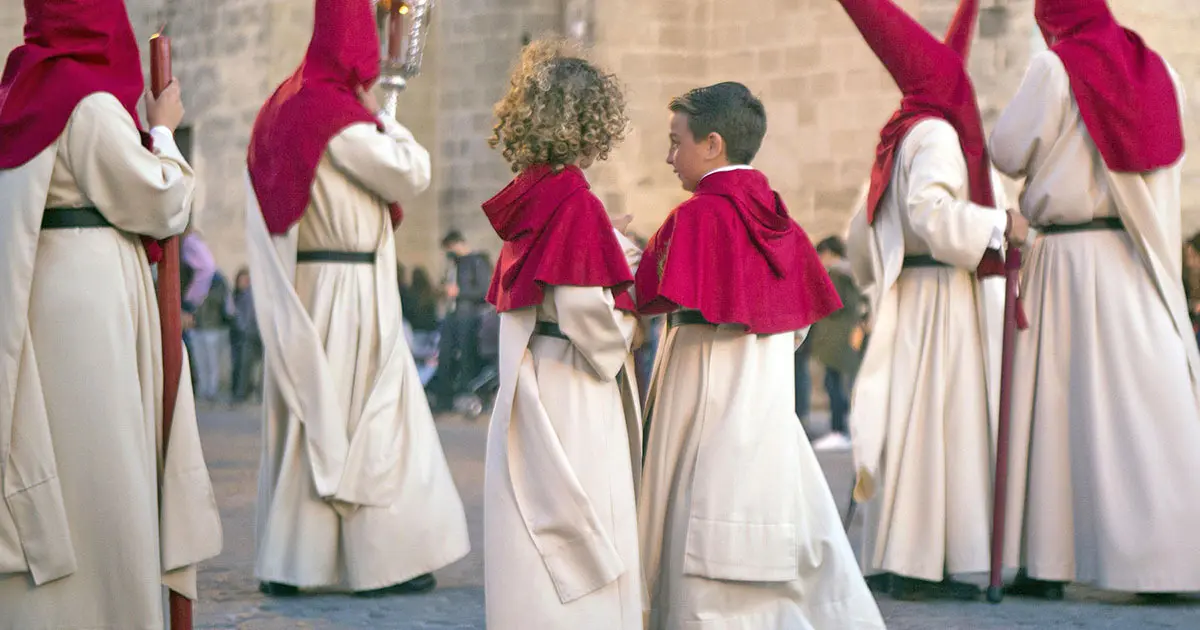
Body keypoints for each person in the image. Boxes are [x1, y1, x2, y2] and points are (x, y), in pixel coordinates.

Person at [0, 0, 222, 626]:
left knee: (67, 459)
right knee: (104, 464)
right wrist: (163, 130)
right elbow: (164, 201)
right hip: (89, 301)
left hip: (49, 296)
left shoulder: (20, 87)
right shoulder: (86, 101)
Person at [636, 81, 884, 629]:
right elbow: (794, 325)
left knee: (688, 512)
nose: (669, 156)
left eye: (676, 142)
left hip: (699, 385)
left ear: (713, 145)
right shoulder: (784, 223)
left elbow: (643, 293)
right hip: (766, 400)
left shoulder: (695, 218)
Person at [244, 0, 469, 597]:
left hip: (312, 284)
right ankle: (383, 562)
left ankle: (293, 559)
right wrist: (385, 115)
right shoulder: (333, 116)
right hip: (349, 290)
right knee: (371, 417)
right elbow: (410, 173)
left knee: (310, 416)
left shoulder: (284, 104)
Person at [989, 0, 1200, 599]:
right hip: (1137, 257)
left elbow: (1006, 151)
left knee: (1055, 413)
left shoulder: (1054, 68)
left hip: (1069, 261)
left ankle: (1048, 563)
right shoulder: (1158, 68)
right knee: (1146, 408)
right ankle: (1169, 564)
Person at [838, 0, 1028, 600]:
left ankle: (905, 554)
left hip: (912, 292)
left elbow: (857, 229)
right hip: (942, 295)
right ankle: (925, 565)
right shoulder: (939, 135)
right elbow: (931, 213)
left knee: (913, 425)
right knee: (939, 427)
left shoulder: (902, 134)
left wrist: (883, 276)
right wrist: (999, 227)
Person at [481, 38, 644, 630]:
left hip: (533, 374)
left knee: (533, 512)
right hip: (571, 378)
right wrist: (625, 328)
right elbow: (580, 305)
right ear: (590, 120)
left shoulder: (535, 189)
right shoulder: (571, 196)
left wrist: (605, 235)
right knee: (582, 503)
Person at [808, 236, 867, 451]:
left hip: (835, 339)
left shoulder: (836, 275)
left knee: (834, 386)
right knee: (840, 385)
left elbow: (832, 304)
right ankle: (841, 429)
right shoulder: (849, 273)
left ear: (830, 254)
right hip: (842, 338)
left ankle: (838, 429)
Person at [431, 230, 493, 411]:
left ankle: (468, 395)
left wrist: (460, 293)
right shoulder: (453, 265)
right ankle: (445, 396)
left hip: (468, 317)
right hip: (452, 316)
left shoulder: (477, 262)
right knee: (445, 355)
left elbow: (484, 292)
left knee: (467, 356)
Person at [229, 268, 262, 402]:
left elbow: (247, 316)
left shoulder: (249, 294)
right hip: (245, 334)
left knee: (247, 366)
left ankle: (242, 394)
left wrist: (244, 328)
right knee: (245, 366)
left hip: (250, 334)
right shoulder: (239, 294)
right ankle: (243, 394)